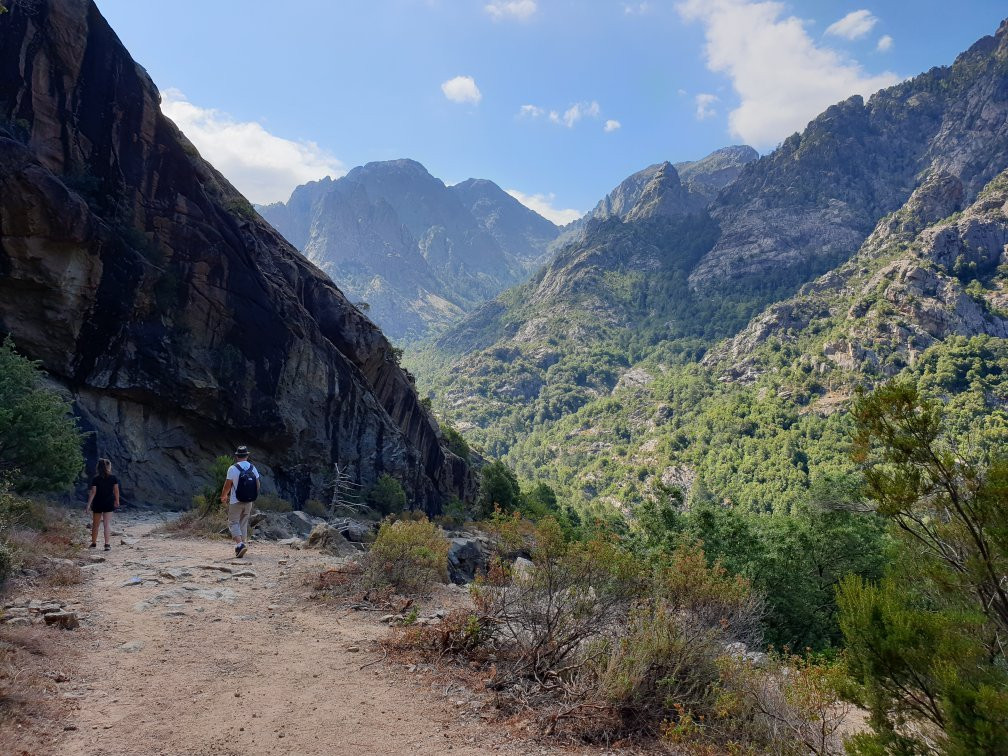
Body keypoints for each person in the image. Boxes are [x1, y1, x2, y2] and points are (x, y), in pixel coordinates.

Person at [220, 445, 260, 559]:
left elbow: (227, 485)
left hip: (235, 500)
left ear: (237, 456)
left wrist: (224, 496)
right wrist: (251, 495)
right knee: (243, 521)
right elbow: (258, 485)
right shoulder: (253, 468)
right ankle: (242, 545)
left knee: (233, 522)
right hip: (249, 501)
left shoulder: (232, 468)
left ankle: (239, 544)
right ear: (247, 456)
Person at [86, 458, 119, 550]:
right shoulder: (113, 478)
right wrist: (117, 501)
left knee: (95, 524)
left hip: (97, 503)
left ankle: (93, 544)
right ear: (108, 466)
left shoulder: (96, 479)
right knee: (106, 524)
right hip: (108, 502)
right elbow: (116, 491)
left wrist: (88, 505)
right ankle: (107, 544)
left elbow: (93, 492)